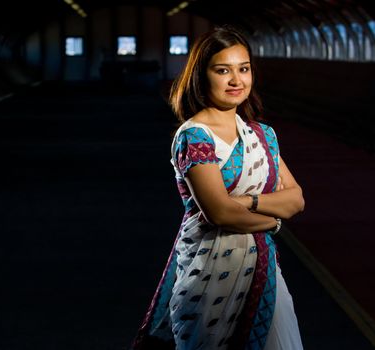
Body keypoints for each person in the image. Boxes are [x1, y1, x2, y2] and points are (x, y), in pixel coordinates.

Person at [131, 25, 305, 350]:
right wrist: (271, 221)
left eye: (244, 69)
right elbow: (220, 212)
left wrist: (249, 201)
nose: (236, 81)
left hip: (263, 274)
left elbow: (295, 199)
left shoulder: (263, 136)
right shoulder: (195, 137)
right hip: (206, 279)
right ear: (202, 75)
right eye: (223, 70)